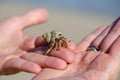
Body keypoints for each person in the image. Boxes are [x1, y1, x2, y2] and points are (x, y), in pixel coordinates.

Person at [0, 8, 120, 80]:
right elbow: (54, 43)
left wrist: (64, 40)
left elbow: (61, 39)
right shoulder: (52, 39)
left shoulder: (59, 38)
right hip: (53, 37)